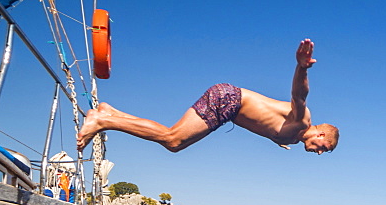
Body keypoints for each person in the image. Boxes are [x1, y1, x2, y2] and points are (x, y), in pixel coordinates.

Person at [77, 39, 339, 154]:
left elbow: (267, 126)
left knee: (174, 140)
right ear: (320, 135)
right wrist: (301, 67)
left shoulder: (292, 138)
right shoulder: (303, 121)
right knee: (173, 140)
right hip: (229, 101)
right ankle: (103, 122)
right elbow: (299, 95)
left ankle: (110, 113)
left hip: (228, 102)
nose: (318, 153)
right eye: (323, 148)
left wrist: (276, 140)